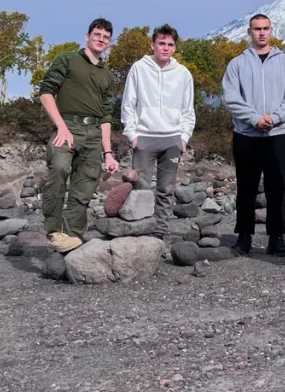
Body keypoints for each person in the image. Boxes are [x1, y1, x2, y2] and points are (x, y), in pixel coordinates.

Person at [222, 13, 285, 257]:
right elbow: (231, 97)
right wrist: (254, 118)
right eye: (257, 29)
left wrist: (274, 118)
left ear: (271, 30)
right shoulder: (237, 64)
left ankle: (276, 238)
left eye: (266, 28)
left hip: (279, 134)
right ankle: (244, 236)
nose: (262, 33)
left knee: (277, 186)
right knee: (246, 187)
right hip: (247, 134)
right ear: (249, 32)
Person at [39, 18, 119, 253]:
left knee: (84, 186)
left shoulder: (107, 76)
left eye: (105, 37)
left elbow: (106, 116)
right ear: (87, 36)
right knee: (59, 169)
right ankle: (54, 231)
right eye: (97, 34)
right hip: (67, 128)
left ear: (109, 42)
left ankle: (71, 237)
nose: (101, 39)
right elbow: (46, 92)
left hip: (93, 134)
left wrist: (108, 153)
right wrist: (61, 126)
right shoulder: (68, 60)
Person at [121, 24, 196, 241]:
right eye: (161, 43)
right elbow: (128, 103)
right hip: (144, 137)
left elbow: (188, 109)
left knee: (166, 189)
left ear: (175, 47)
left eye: (170, 44)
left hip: (172, 139)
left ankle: (160, 233)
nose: (165, 48)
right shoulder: (139, 68)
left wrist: (183, 137)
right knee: (140, 188)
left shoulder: (183, 74)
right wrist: (132, 135)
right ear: (152, 44)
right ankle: (140, 232)